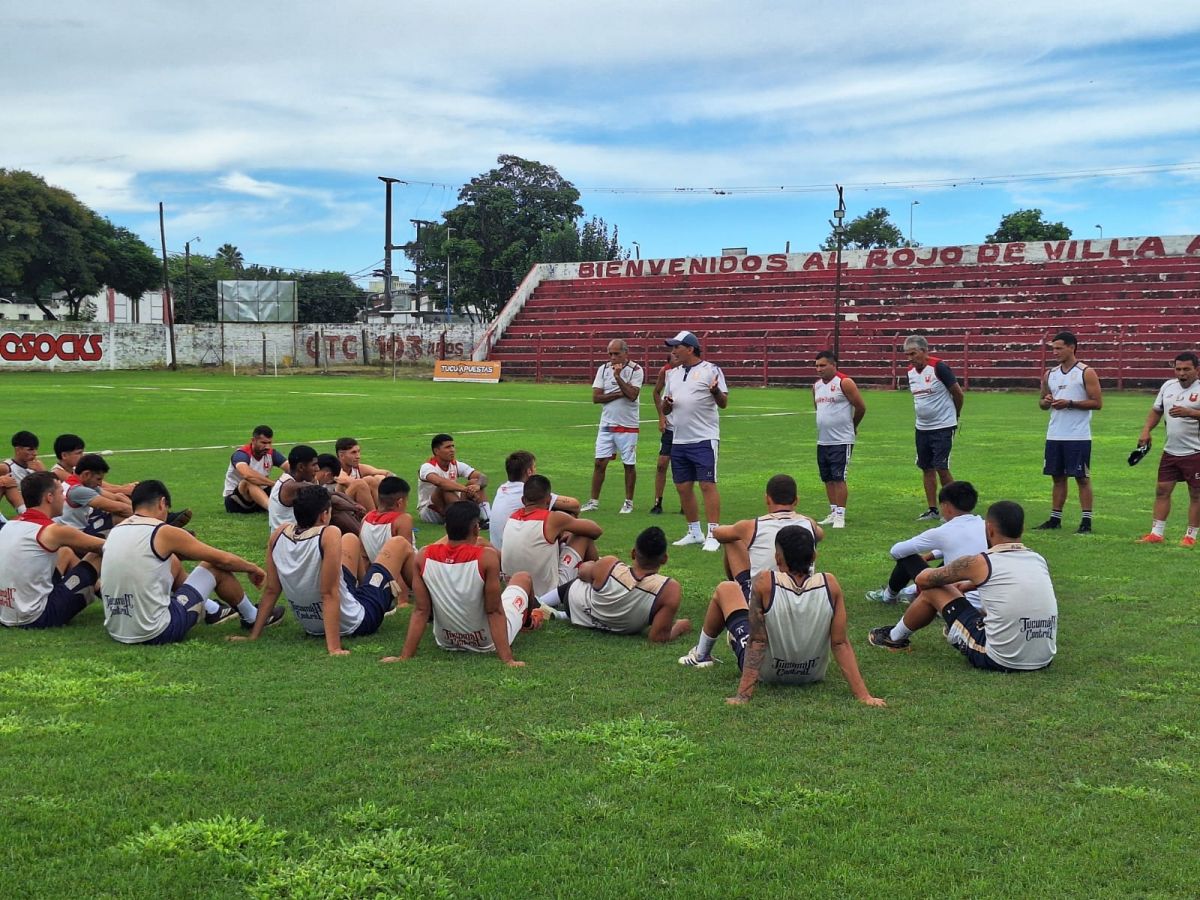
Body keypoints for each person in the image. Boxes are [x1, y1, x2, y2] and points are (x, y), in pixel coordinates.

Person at [679, 526, 885, 708]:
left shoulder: (765, 581)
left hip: (767, 673)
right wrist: (864, 696)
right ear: (813, 557)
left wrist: (743, 696)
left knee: (726, 589)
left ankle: (701, 655)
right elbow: (840, 644)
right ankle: (704, 654)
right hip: (812, 673)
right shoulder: (830, 583)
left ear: (778, 558)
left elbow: (757, 640)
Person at [868, 501, 1058, 672]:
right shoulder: (1037, 558)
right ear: (1022, 529)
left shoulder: (979, 562)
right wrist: (968, 585)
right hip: (1043, 657)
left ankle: (893, 638)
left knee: (934, 589)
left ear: (989, 529)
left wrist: (920, 567)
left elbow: (925, 582)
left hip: (999, 658)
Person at [231, 484, 413, 655]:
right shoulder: (329, 533)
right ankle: (426, 608)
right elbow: (328, 593)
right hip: (355, 622)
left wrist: (253, 636)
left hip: (311, 624)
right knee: (399, 544)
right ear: (324, 515)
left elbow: (271, 589)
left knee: (350, 539)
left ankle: (364, 593)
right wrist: (334, 648)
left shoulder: (278, 533)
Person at [100, 479, 281, 644]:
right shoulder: (161, 530)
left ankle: (212, 611)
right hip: (155, 632)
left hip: (116, 629)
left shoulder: (116, 530)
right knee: (213, 566)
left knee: (172, 561)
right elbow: (221, 559)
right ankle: (253, 617)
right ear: (162, 503)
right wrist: (252, 568)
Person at [383, 501, 538, 667]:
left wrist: (404, 657)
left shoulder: (423, 555)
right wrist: (508, 660)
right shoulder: (487, 557)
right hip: (486, 641)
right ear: (476, 528)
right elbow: (494, 611)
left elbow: (421, 610)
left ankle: (528, 620)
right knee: (523, 577)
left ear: (446, 528)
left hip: (446, 640)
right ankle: (529, 622)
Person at [539, 526, 691, 640]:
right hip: (623, 628)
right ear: (664, 559)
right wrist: (680, 626)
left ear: (633, 553)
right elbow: (658, 638)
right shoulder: (669, 588)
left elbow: (582, 572)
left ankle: (541, 602)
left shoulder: (610, 564)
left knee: (585, 578)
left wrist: (595, 566)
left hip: (578, 608)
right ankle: (559, 614)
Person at [0, 471, 104, 628]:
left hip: (7, 611)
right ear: (49, 497)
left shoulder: (10, 525)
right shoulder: (53, 530)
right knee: (97, 555)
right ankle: (116, 601)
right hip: (37, 617)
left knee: (65, 552)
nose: (64, 498)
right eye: (61, 493)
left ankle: (104, 593)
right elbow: (109, 546)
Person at [864, 480, 986, 605]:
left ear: (946, 506)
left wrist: (919, 560)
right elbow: (959, 544)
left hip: (955, 599)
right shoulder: (985, 526)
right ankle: (910, 592)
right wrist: (929, 556)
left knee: (908, 557)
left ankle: (889, 596)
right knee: (955, 560)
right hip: (988, 598)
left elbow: (896, 551)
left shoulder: (943, 532)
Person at [661, 330, 728, 551]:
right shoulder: (672, 374)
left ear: (690, 348)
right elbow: (665, 406)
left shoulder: (711, 370)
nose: (673, 352)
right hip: (679, 439)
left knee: (707, 485)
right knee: (682, 487)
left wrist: (716, 391)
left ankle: (713, 533)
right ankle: (694, 531)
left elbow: (723, 402)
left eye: (676, 347)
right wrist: (667, 405)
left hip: (703, 438)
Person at [712, 474, 823, 598]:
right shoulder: (809, 523)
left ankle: (738, 588)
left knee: (731, 539)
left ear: (767, 499)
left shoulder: (751, 526)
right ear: (796, 500)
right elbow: (820, 534)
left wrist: (740, 532)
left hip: (764, 596)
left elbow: (718, 533)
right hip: (804, 591)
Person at [1036, 331, 1103, 533]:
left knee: (1081, 477)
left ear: (1072, 347)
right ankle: (1055, 518)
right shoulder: (1050, 374)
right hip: (1055, 434)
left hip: (1078, 435)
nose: (1055, 352)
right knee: (1057, 477)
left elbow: (1097, 403)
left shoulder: (1086, 372)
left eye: (1059, 348)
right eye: (1053, 348)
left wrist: (1070, 403)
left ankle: (1086, 521)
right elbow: (1041, 402)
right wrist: (1046, 402)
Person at [1136, 351, 1200, 547]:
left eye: (1186, 369)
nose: (1182, 373)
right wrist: (1146, 430)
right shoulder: (1167, 387)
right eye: (1178, 369)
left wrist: (1191, 412)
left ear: (1196, 369)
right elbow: (1157, 411)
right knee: (1162, 490)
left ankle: (1191, 536)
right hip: (1171, 450)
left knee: (1196, 494)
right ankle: (1156, 533)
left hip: (1196, 452)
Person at [501, 475, 602, 597]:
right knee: (583, 536)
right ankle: (600, 583)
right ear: (549, 500)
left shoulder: (511, 518)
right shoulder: (552, 519)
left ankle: (595, 579)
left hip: (517, 590)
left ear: (523, 500)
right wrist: (569, 529)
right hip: (549, 593)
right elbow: (596, 530)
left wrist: (561, 533)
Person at [903, 335, 964, 521]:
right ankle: (933, 509)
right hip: (922, 427)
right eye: (907, 355)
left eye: (913, 353)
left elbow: (958, 393)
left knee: (941, 467)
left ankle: (957, 508)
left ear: (924, 351)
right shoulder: (910, 372)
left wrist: (955, 415)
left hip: (943, 426)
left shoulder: (939, 367)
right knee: (926, 467)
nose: (910, 358)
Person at [581, 339, 643, 514]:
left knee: (628, 464)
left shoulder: (636, 370)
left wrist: (617, 377)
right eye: (610, 354)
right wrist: (619, 392)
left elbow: (632, 395)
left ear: (626, 352)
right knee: (599, 463)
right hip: (607, 424)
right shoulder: (602, 369)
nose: (613, 357)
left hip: (628, 425)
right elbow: (596, 397)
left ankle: (628, 502)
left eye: (617, 353)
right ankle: (593, 501)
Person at [813, 350, 866, 528]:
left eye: (822, 365)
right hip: (823, 440)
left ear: (833, 365)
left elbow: (860, 407)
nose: (819, 369)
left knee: (839, 477)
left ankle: (840, 515)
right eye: (817, 366)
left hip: (841, 440)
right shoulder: (816, 386)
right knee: (827, 477)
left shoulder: (844, 382)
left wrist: (853, 426)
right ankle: (833, 511)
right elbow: (818, 409)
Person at [490, 451, 580, 553]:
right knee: (572, 521)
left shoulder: (501, 489)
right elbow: (574, 504)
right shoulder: (528, 491)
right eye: (534, 467)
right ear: (529, 472)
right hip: (516, 554)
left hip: (499, 553)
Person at [418, 433, 492, 526]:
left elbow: (483, 477)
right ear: (436, 451)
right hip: (430, 510)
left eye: (453, 446)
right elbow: (440, 482)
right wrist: (466, 489)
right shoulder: (427, 467)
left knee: (474, 481)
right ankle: (463, 519)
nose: (452, 450)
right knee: (445, 488)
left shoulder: (455, 464)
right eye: (448, 447)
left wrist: (477, 486)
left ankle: (487, 519)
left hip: (453, 503)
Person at [58, 453, 133, 536]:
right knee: (118, 517)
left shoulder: (79, 483)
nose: (100, 483)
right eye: (98, 479)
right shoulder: (78, 490)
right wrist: (146, 516)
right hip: (76, 534)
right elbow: (120, 508)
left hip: (77, 526)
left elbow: (117, 497)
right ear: (86, 474)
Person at [222, 425, 287, 514]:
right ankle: (274, 511)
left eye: (269, 443)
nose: (267, 446)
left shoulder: (271, 453)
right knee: (248, 481)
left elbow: (293, 469)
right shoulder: (241, 454)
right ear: (253, 440)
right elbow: (247, 475)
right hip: (236, 501)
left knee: (289, 477)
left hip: (259, 497)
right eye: (263, 443)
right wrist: (275, 484)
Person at [51, 434, 135, 496]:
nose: (82, 456)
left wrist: (125, 487)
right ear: (64, 455)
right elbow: (91, 490)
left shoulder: (74, 468)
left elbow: (103, 485)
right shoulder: (58, 472)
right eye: (78, 453)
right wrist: (123, 490)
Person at [360, 476, 416, 562]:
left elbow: (364, 557)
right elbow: (406, 558)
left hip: (377, 570)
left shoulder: (365, 519)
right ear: (399, 503)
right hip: (400, 572)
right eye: (406, 501)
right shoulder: (403, 520)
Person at [649, 354, 678, 515]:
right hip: (670, 427)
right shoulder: (666, 372)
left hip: (686, 428)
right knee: (661, 464)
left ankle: (684, 503)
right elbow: (656, 393)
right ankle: (658, 502)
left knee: (682, 466)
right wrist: (661, 416)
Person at [268, 445, 321, 531]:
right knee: (334, 516)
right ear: (300, 467)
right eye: (314, 465)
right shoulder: (291, 486)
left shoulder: (288, 480)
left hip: (287, 536)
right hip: (288, 540)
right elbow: (328, 497)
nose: (317, 469)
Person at [315, 452, 371, 532]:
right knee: (336, 511)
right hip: (309, 522)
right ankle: (364, 534)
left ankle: (367, 530)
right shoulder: (310, 483)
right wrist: (354, 508)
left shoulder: (315, 481)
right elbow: (333, 499)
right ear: (327, 475)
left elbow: (335, 494)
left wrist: (354, 505)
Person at [336, 436, 394, 510]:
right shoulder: (336, 469)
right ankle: (374, 519)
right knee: (361, 484)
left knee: (376, 479)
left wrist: (385, 481)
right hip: (334, 508)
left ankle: (383, 513)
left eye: (358, 451)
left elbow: (386, 473)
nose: (358, 456)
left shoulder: (359, 468)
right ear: (341, 455)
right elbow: (345, 480)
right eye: (353, 452)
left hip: (349, 504)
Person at [2, 430, 47, 513]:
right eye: (30, 450)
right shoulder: (6, 468)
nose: (35, 453)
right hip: (25, 509)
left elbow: (51, 489)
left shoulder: (37, 465)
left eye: (36, 449)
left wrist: (43, 472)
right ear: (18, 450)